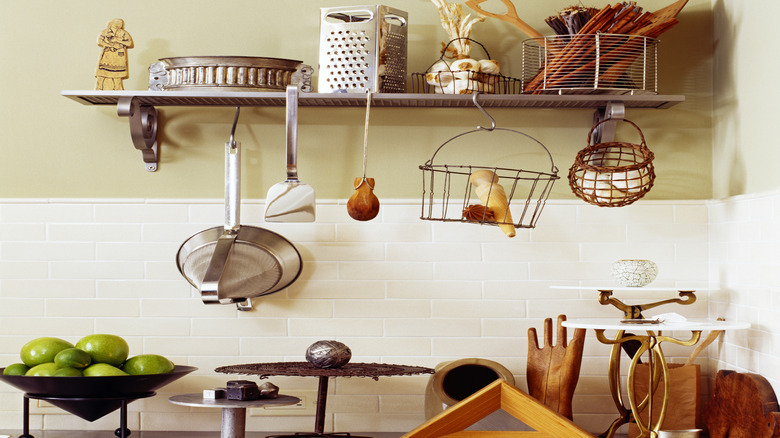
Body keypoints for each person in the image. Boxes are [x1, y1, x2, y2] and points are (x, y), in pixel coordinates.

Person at [95, 18, 133, 90]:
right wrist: (111, 45)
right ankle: (99, 87)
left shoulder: (124, 33)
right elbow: (99, 41)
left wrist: (118, 40)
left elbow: (129, 43)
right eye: (117, 23)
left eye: (120, 23)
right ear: (112, 24)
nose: (119, 24)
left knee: (117, 74)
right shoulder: (104, 32)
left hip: (119, 55)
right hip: (107, 55)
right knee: (102, 72)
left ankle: (117, 88)